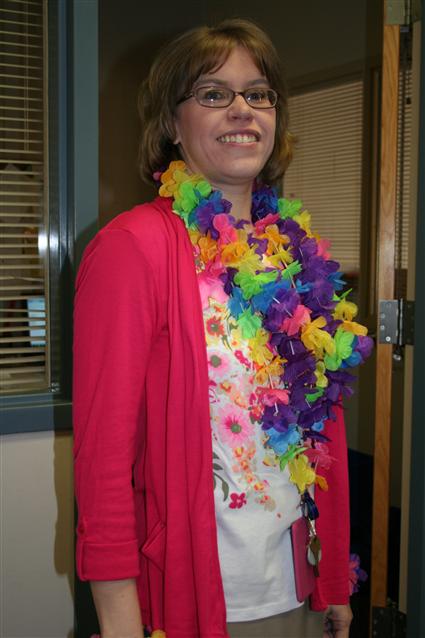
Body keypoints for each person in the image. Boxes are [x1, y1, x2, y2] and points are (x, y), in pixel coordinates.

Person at [73, 18, 372, 638]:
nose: (242, 109)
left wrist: (334, 580)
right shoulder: (133, 248)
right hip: (193, 597)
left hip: (297, 586)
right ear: (171, 123)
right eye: (213, 93)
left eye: (258, 93)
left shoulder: (293, 257)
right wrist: (120, 620)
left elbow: (320, 436)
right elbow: (102, 460)